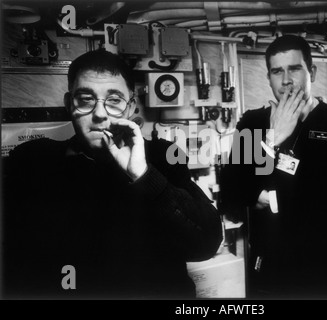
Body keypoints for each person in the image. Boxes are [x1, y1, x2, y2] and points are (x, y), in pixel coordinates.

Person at [2, 49, 222, 299]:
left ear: (130, 107)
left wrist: (144, 175)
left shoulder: (163, 157)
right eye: (85, 99)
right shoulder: (32, 161)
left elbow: (206, 243)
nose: (99, 113)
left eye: (114, 100)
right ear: (68, 104)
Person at [220, 35, 327, 299]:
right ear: (269, 78)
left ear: (312, 72)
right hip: (273, 265)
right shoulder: (253, 123)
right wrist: (273, 140)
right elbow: (232, 195)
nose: (286, 79)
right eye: (277, 71)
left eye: (294, 69)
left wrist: (262, 191)